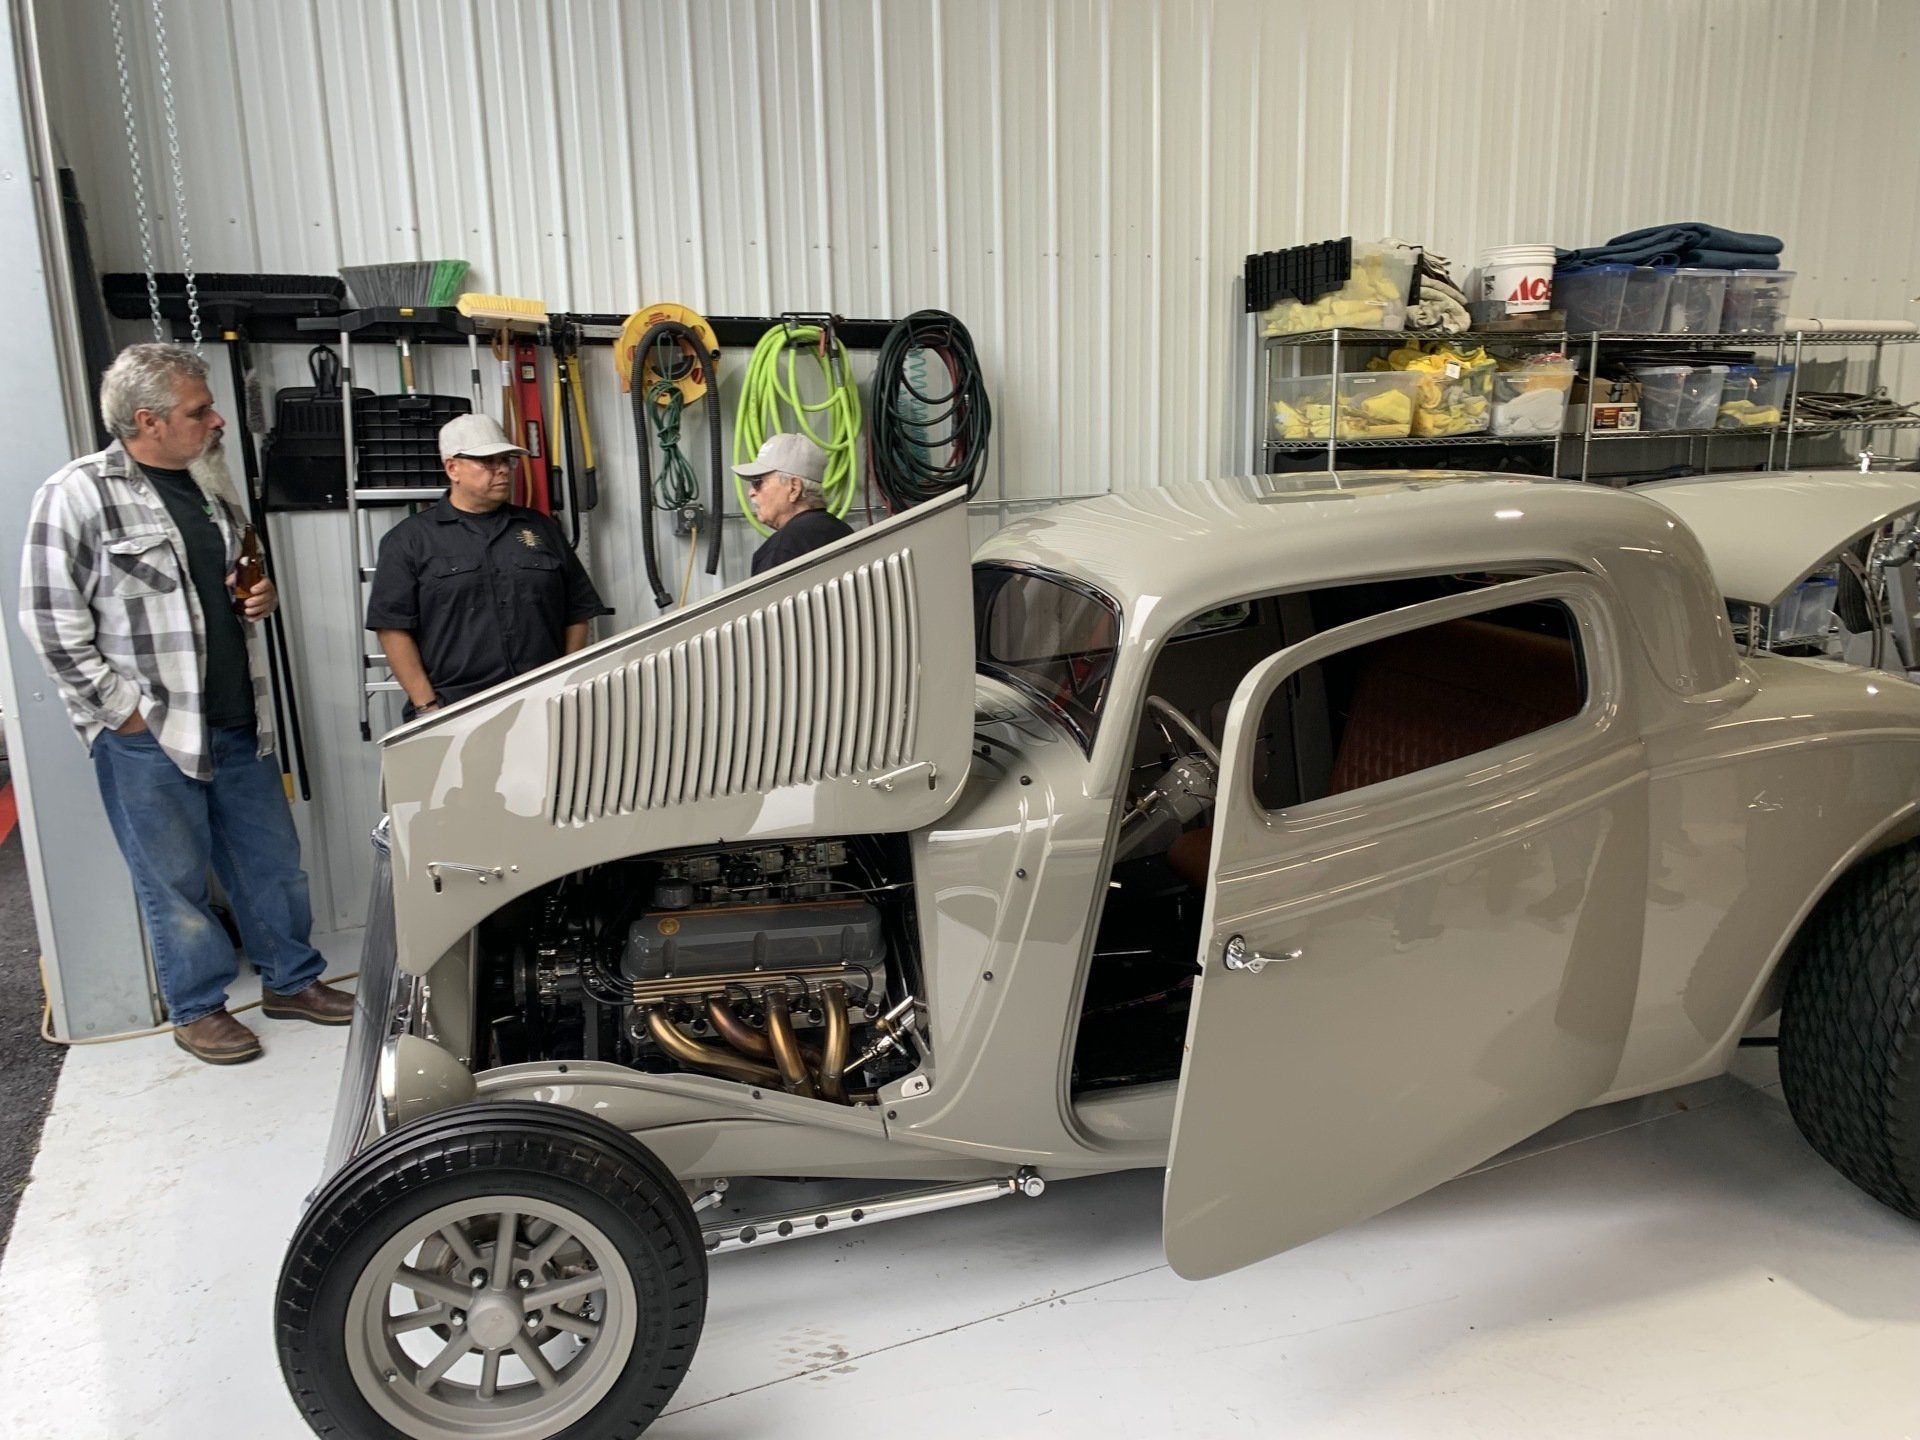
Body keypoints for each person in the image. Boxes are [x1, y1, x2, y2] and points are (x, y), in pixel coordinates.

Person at [18, 343, 352, 1065]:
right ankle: (197, 1009)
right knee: (172, 879)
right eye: (200, 411)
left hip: (237, 719)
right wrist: (121, 712)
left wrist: (256, 598)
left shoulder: (210, 485)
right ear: (149, 420)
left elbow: (231, 584)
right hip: (149, 733)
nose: (216, 421)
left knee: (273, 865)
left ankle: (292, 980)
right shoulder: (78, 493)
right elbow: (48, 619)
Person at [365, 414, 608, 719]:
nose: (503, 469)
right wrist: (426, 706)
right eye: (488, 461)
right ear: (453, 468)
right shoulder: (410, 540)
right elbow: (392, 629)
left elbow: (577, 611)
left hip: (543, 702)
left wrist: (566, 684)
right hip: (456, 709)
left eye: (506, 460)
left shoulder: (541, 529)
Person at [738, 433, 853, 575]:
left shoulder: (781, 549)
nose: (751, 492)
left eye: (758, 483)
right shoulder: (845, 532)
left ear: (794, 488)